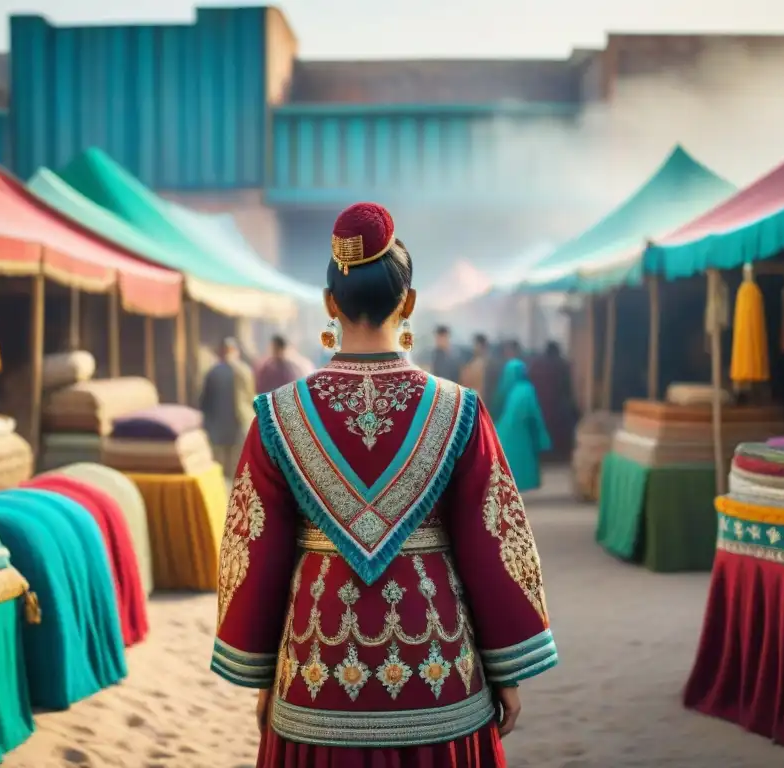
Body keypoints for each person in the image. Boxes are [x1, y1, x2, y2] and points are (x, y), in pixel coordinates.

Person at [210, 202, 558, 767]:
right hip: (439, 668)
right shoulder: (459, 410)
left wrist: (262, 675)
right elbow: (494, 542)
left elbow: (253, 552)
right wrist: (507, 671)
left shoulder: (278, 416)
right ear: (410, 302)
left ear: (329, 304)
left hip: (315, 669)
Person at [198, 337, 255, 478]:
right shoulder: (244, 371)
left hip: (218, 429)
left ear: (220, 352)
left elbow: (204, 403)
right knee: (238, 467)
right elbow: (250, 398)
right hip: (239, 425)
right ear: (235, 351)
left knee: (220, 468)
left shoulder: (212, 372)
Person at [494, 359, 552, 492]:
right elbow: (534, 414)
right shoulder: (527, 389)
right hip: (521, 434)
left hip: (503, 432)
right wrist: (541, 438)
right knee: (521, 462)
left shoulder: (509, 390)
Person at [528, 341, 577, 462]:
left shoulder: (535, 364)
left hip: (539, 405)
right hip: (557, 406)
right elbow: (567, 388)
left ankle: (543, 455)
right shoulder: (563, 365)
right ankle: (559, 456)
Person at [460, 333, 490, 401]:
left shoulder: (477, 364)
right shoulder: (483, 362)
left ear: (479, 345)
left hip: (475, 397)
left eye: (475, 345)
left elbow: (466, 381)